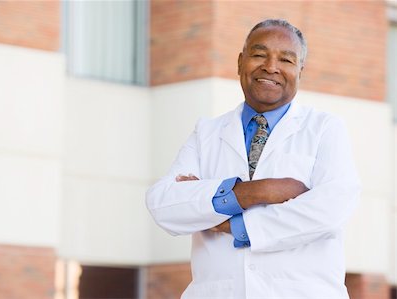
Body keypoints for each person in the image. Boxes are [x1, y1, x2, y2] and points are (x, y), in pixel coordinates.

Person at [146, 19, 360, 299]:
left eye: (286, 59)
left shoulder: (325, 129)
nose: (271, 66)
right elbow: (164, 204)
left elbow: (330, 209)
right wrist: (259, 191)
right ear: (239, 62)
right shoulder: (207, 132)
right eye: (259, 55)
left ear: (300, 71)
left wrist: (226, 222)